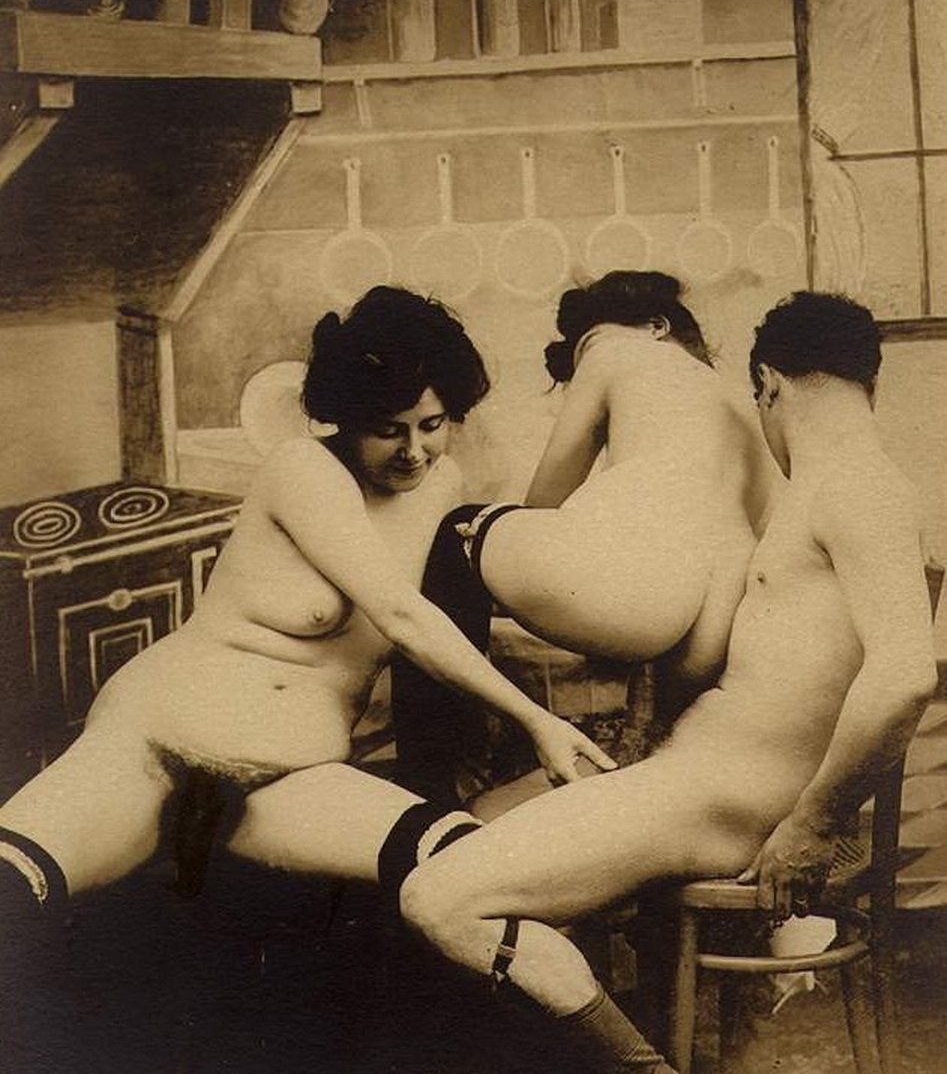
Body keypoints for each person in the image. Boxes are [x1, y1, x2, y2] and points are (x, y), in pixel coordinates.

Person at [0, 286, 618, 1069]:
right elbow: (399, 615)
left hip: (291, 782)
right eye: (387, 430)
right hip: (152, 744)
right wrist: (539, 720)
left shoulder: (441, 484)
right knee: (12, 889)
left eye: (431, 425)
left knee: (472, 878)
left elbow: (439, 612)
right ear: (343, 418)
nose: (413, 450)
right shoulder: (302, 468)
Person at [393, 292, 938, 1069]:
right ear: (868, 382)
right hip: (696, 781)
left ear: (767, 384)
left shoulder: (858, 487)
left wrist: (811, 826)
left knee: (437, 898)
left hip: (722, 803)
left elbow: (904, 675)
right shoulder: (814, 495)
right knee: (457, 828)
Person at [391, 270, 774, 804]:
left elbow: (543, 501)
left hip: (627, 592)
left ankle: (428, 787)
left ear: (656, 326)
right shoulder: (749, 408)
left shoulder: (615, 352)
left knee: (459, 536)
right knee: (646, 755)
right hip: (710, 625)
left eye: (588, 343)